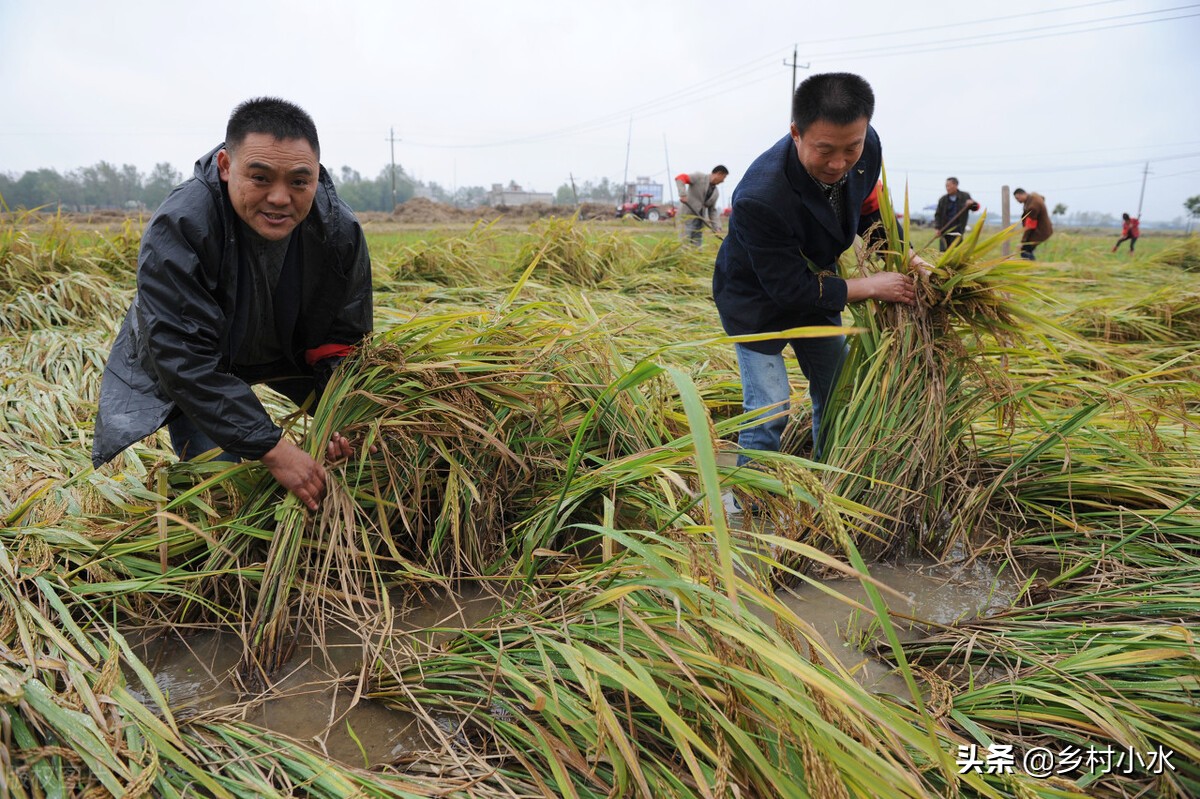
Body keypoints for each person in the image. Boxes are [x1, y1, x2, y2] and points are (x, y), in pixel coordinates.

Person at [91, 97, 374, 512]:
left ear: (318, 175)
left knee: (357, 446)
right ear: (226, 166)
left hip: (288, 352)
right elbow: (184, 359)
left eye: (299, 181)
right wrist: (275, 448)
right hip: (203, 361)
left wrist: (339, 415)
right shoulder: (182, 226)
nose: (280, 197)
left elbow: (344, 339)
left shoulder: (339, 232)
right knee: (222, 499)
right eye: (260, 178)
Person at [712, 72, 927, 471]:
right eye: (825, 150)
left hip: (821, 287)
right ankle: (752, 501)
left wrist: (907, 256)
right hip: (757, 298)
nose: (840, 163)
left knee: (838, 391)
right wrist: (871, 286)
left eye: (852, 148)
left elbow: (868, 207)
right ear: (796, 133)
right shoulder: (761, 196)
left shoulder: (866, 148)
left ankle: (829, 479)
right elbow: (790, 289)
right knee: (770, 407)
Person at [676, 165, 729, 246]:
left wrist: (717, 227)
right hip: (686, 217)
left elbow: (712, 211)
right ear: (719, 174)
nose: (723, 181)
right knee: (684, 245)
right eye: (724, 177)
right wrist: (682, 194)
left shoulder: (716, 193)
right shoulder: (699, 177)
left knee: (697, 247)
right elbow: (680, 178)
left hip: (699, 221)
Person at [933, 177, 980, 251]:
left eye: (948, 186)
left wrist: (972, 203)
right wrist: (937, 228)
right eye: (946, 186)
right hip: (945, 230)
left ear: (955, 185)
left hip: (958, 231)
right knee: (943, 253)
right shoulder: (943, 199)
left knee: (956, 252)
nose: (947, 188)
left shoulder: (965, 196)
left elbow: (975, 207)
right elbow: (937, 215)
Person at [1013, 188, 1052, 260]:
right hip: (1041, 229)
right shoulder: (1033, 197)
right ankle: (1031, 267)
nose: (1017, 201)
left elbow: (1030, 225)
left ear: (1023, 194)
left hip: (1040, 231)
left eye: (1017, 198)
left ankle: (1031, 268)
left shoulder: (1033, 205)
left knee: (1025, 250)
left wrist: (1023, 241)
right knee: (1028, 250)